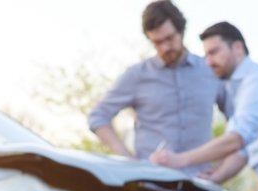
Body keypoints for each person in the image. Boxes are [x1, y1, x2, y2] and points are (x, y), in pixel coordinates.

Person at [150, 21, 258, 191]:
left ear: (238, 48)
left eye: (213, 52)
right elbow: (245, 149)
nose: (208, 62)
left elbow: (236, 140)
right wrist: (217, 176)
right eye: (206, 56)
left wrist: (180, 159)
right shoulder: (239, 87)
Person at [88, 1, 222, 176]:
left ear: (181, 31)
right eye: (157, 42)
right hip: (151, 184)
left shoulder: (210, 71)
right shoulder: (137, 75)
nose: (165, 47)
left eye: (169, 38)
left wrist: (221, 171)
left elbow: (240, 125)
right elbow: (98, 116)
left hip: (199, 186)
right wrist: (129, 160)